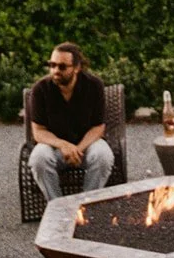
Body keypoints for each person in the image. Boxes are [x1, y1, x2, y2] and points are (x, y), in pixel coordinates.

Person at [28, 42, 114, 201]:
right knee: (38, 158)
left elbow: (98, 127)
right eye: (52, 65)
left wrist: (77, 150)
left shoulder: (94, 86)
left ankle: (86, 207)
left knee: (103, 156)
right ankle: (57, 207)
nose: (55, 71)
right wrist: (63, 145)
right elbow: (38, 131)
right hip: (54, 147)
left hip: (86, 146)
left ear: (76, 67)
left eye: (62, 67)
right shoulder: (40, 89)